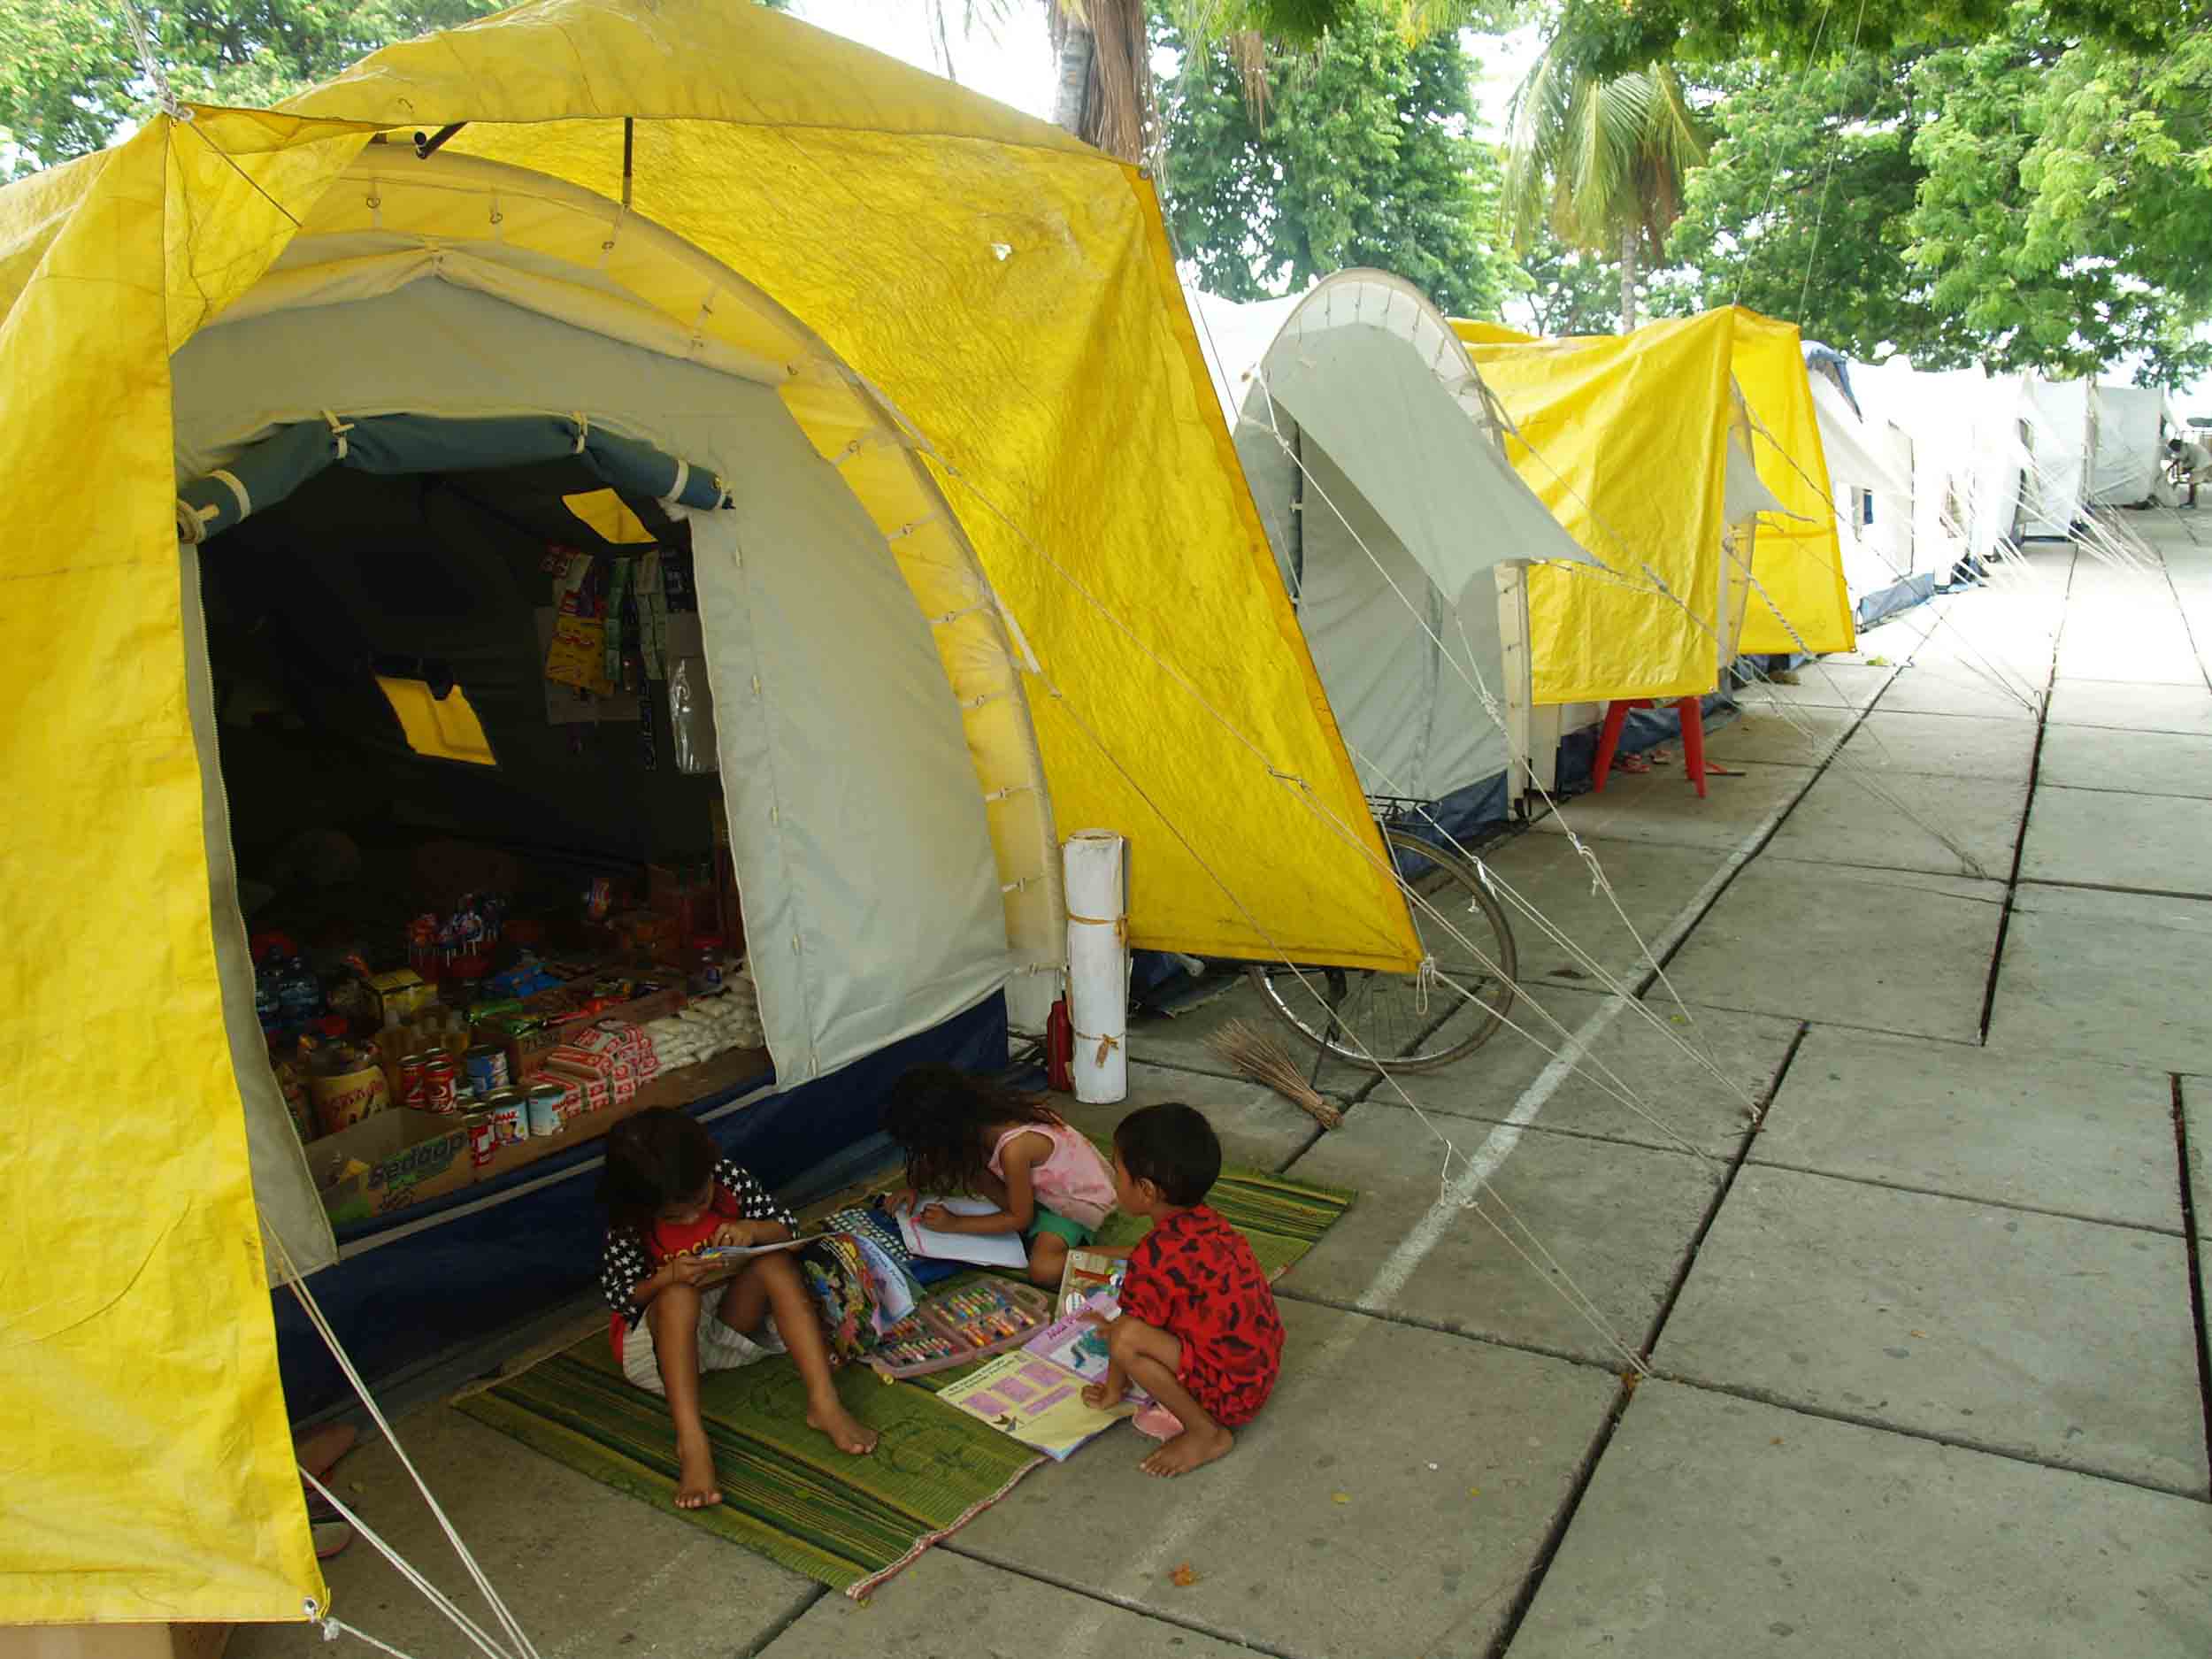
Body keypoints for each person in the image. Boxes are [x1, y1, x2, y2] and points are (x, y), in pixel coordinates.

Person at [596, 1107, 876, 1509]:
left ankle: (824, 1402)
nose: (694, 1216)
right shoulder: (629, 1220)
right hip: (663, 1351)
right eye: (675, 1216)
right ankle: (691, 1442)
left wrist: (752, 1231)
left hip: (729, 1327)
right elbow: (621, 1297)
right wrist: (666, 1276)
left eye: (699, 1201)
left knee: (774, 1263)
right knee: (676, 1296)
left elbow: (789, 1234)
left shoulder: (726, 1177)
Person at [1080, 1102, 1284, 1478]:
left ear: (1145, 1190)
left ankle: (1206, 1433)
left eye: (1117, 1170)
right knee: (1132, 1329)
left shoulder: (1153, 1257)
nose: (1112, 1179)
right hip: (1259, 1371)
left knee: (1125, 1339)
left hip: (1232, 1399)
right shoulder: (1210, 1222)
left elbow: (1130, 1330)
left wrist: (1112, 1391)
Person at [881, 1065, 1117, 1286]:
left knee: (1043, 1269)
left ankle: (1126, 1254)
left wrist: (955, 1223)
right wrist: (912, 1188)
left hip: (1075, 1200)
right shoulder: (983, 1115)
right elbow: (938, 1158)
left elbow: (1019, 1219)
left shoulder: (1014, 1149)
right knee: (967, 1164)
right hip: (1042, 1190)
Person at [2167, 435, 2208, 507]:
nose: (2174, 450)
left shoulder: (2184, 448)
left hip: (2202, 464)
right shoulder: (2187, 446)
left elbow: (2179, 459)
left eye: (2173, 449)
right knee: (2192, 482)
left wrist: (2170, 468)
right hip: (2202, 462)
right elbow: (2184, 460)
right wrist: (2185, 469)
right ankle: (2192, 502)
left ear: (2177, 446)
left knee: (2192, 483)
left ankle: (2191, 502)